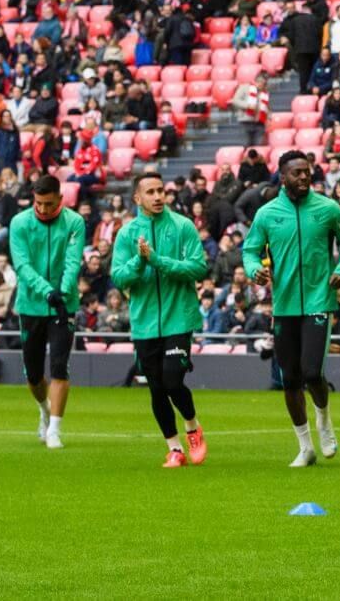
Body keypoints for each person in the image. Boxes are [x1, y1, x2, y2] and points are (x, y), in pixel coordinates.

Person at [242, 151, 340, 467]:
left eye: (307, 171)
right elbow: (250, 250)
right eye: (297, 173)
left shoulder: (327, 208)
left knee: (311, 372)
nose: (305, 177)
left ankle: (324, 419)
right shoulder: (267, 214)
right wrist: (255, 269)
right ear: (283, 177)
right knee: (290, 378)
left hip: (320, 301)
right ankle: (305, 447)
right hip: (283, 306)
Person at [111, 172, 210, 468]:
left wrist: (157, 260)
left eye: (160, 191)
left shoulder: (183, 226)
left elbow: (198, 268)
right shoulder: (127, 234)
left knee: (172, 380)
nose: (157, 197)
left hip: (179, 317)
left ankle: (192, 427)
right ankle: (174, 448)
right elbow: (118, 277)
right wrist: (140, 261)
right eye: (150, 192)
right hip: (144, 323)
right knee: (156, 387)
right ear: (137, 199)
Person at [9, 175, 85, 450]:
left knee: (59, 366)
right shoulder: (19, 223)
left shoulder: (75, 222)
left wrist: (61, 295)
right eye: (38, 203)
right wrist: (47, 292)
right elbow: (22, 266)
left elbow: (72, 262)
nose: (42, 209)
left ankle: (54, 429)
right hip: (30, 305)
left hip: (64, 305)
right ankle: (44, 409)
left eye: (48, 203)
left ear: (60, 199)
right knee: (32, 373)